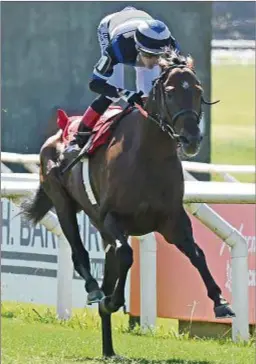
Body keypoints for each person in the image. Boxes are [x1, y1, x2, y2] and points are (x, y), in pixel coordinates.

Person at [65, 6, 179, 153]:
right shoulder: (118, 47)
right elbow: (95, 84)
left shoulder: (172, 48)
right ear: (138, 48)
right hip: (111, 27)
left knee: (147, 94)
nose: (153, 63)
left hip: (141, 21)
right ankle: (80, 136)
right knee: (112, 91)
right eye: (149, 56)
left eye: (159, 57)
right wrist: (124, 93)